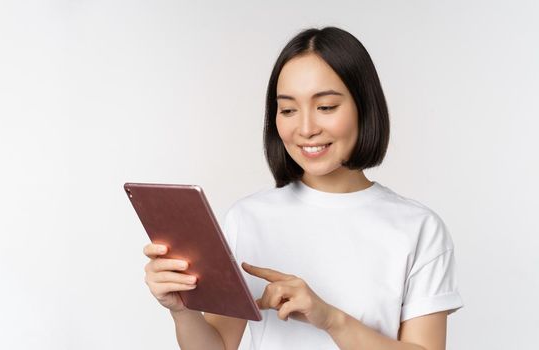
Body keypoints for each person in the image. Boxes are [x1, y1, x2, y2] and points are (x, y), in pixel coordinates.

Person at [142, 26, 463, 350]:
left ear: (364, 107)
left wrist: (329, 318)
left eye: (325, 107)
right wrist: (182, 311)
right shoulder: (248, 218)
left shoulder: (419, 228)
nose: (306, 128)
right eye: (288, 110)